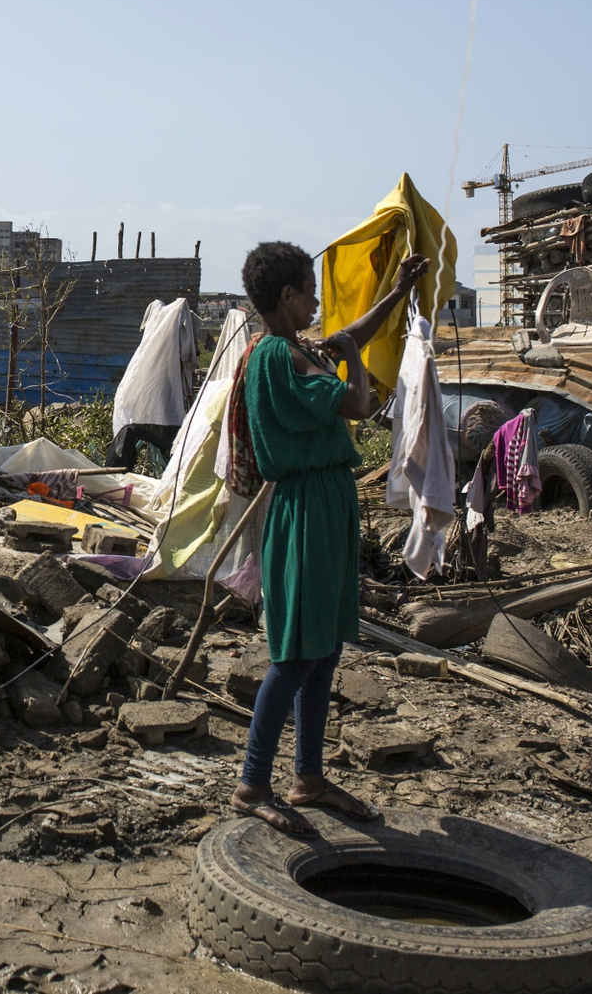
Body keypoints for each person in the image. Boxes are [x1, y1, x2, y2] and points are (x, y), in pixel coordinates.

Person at [229, 240, 429, 837]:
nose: (316, 304)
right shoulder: (278, 357)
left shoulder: (289, 349)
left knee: (322, 649)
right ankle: (252, 783)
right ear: (288, 296)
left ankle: (309, 777)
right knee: (296, 652)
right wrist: (353, 359)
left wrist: (397, 291)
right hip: (305, 507)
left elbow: (347, 338)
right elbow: (359, 403)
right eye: (310, 294)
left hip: (324, 501)